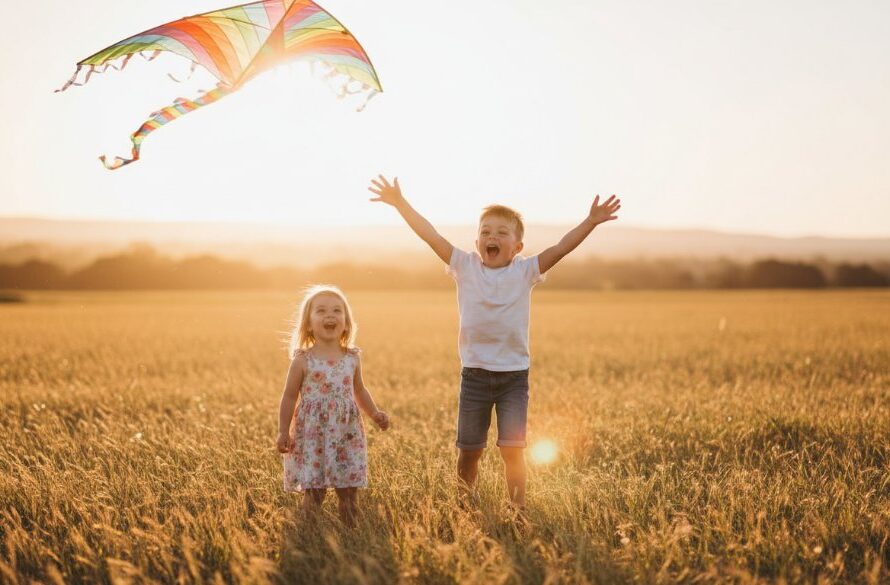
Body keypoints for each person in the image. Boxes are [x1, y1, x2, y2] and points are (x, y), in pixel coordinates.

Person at [368, 175, 620, 512]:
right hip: (474, 377)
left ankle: (517, 511)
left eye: (502, 233)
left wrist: (589, 222)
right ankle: (463, 507)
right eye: (486, 231)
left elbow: (560, 247)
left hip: (514, 378)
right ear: (476, 242)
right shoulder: (464, 266)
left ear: (517, 247)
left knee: (512, 450)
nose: (492, 237)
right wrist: (401, 204)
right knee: (469, 450)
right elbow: (431, 235)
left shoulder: (525, 271)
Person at [277, 284, 390, 526]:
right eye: (321, 311)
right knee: (314, 491)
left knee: (348, 490)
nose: (330, 315)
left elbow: (359, 389)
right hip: (313, 434)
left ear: (347, 323)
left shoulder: (352, 357)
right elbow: (288, 396)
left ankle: (351, 535)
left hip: (346, 433)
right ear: (308, 323)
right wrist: (282, 431)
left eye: (337, 311)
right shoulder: (303, 360)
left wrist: (374, 413)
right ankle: (308, 535)